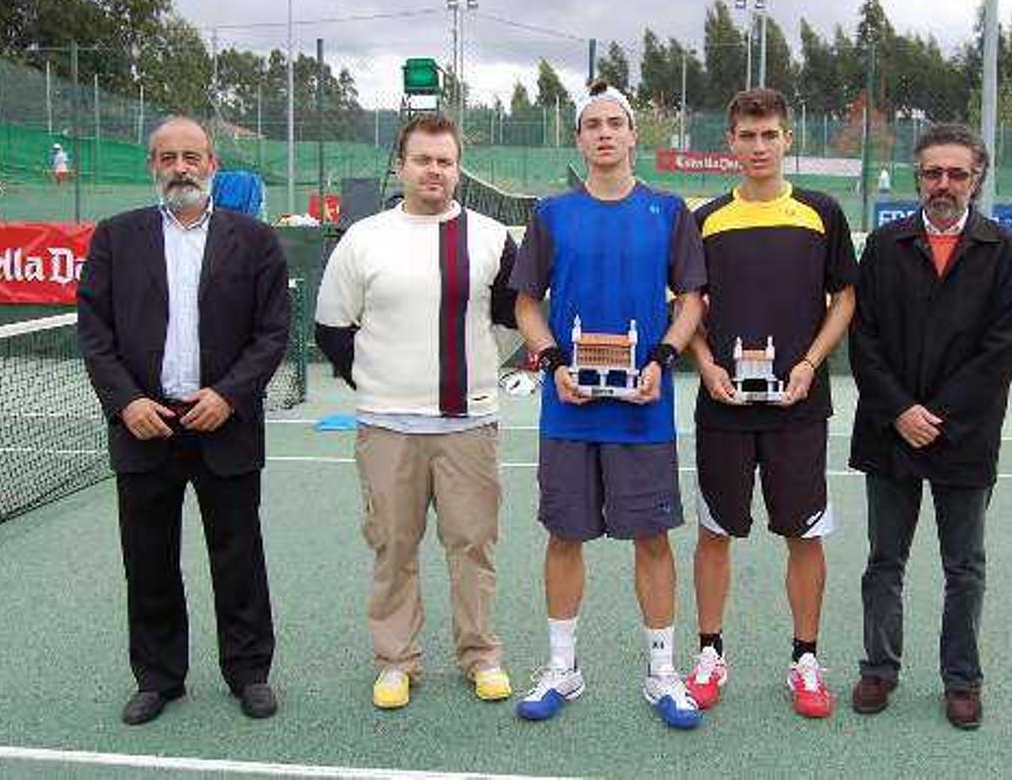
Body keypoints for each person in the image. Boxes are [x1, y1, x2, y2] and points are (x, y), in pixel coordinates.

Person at [77, 116, 289, 725]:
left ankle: (249, 672)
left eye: (191, 156)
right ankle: (159, 678)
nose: (180, 167)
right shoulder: (116, 238)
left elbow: (272, 333)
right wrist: (127, 402)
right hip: (145, 425)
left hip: (226, 423)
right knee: (148, 559)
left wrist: (228, 395)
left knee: (238, 555)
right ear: (152, 167)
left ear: (212, 164)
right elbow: (94, 333)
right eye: (167, 157)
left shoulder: (254, 240)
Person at [511, 80, 707, 729]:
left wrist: (662, 359)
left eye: (613, 123)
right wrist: (552, 362)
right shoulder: (552, 214)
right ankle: (563, 668)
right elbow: (525, 303)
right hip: (567, 409)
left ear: (631, 135)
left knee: (651, 537)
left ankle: (662, 672)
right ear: (579, 139)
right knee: (565, 534)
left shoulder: (669, 211)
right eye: (591, 124)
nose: (603, 133)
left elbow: (693, 299)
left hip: (641, 409)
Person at [314, 114, 518, 710]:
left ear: (457, 169)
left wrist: (476, 369)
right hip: (386, 428)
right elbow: (332, 328)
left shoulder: (490, 238)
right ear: (401, 165)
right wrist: (380, 382)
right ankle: (396, 662)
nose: (434, 170)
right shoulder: (364, 239)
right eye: (423, 160)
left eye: (445, 161)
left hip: (469, 425)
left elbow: (510, 322)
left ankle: (480, 655)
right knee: (393, 550)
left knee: (473, 547)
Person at [848, 123, 1012, 730]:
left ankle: (962, 681)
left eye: (957, 173)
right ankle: (879, 668)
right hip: (889, 432)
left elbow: (1002, 349)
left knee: (965, 567)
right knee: (884, 561)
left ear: (977, 178)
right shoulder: (885, 245)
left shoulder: (1003, 251)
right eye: (933, 173)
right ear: (918, 178)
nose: (944, 184)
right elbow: (863, 337)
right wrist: (900, 410)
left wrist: (939, 417)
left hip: (964, 438)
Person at [684, 88, 857, 719]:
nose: (758, 148)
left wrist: (810, 364)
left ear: (788, 140)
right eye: (747, 137)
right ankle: (709, 653)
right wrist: (704, 365)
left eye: (770, 136)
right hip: (723, 407)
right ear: (729, 142)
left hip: (800, 408)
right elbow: (688, 306)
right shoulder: (704, 220)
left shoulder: (821, 212)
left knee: (804, 535)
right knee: (714, 531)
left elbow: (845, 299)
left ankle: (805, 660)